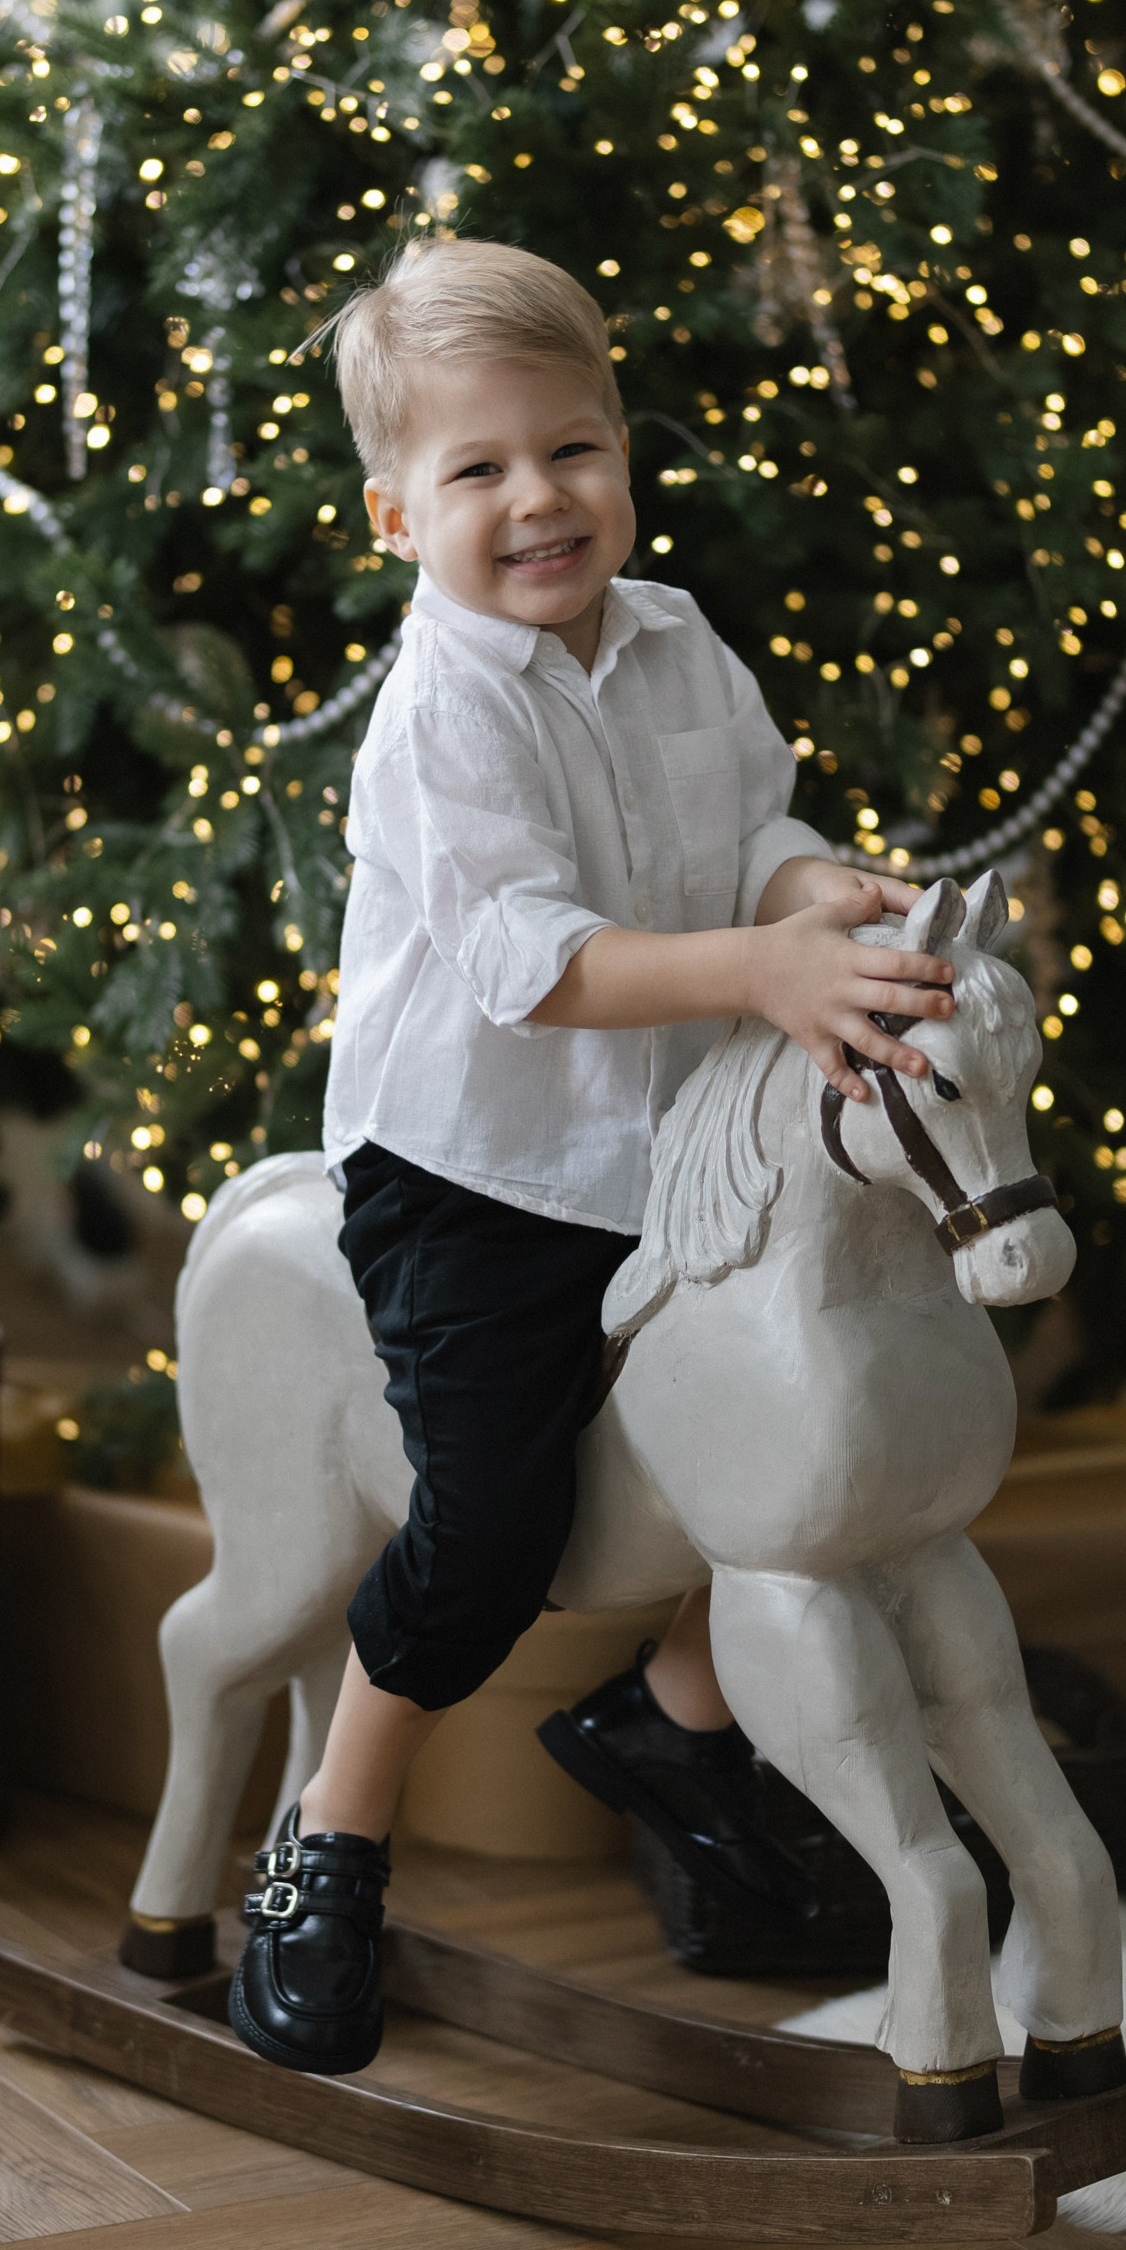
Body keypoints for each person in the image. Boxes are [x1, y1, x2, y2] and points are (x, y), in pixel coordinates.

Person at [229, 239, 955, 2076]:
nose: (538, 500)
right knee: (490, 1520)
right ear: (397, 515)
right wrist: (767, 971)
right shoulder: (440, 711)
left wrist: (811, 888)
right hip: (480, 1171)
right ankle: (335, 1830)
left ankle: (672, 1716)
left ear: (625, 455)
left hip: (672, 1135)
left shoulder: (679, 641)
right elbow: (534, 967)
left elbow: (751, 828)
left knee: (809, 1431)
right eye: (478, 470)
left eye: (572, 450)